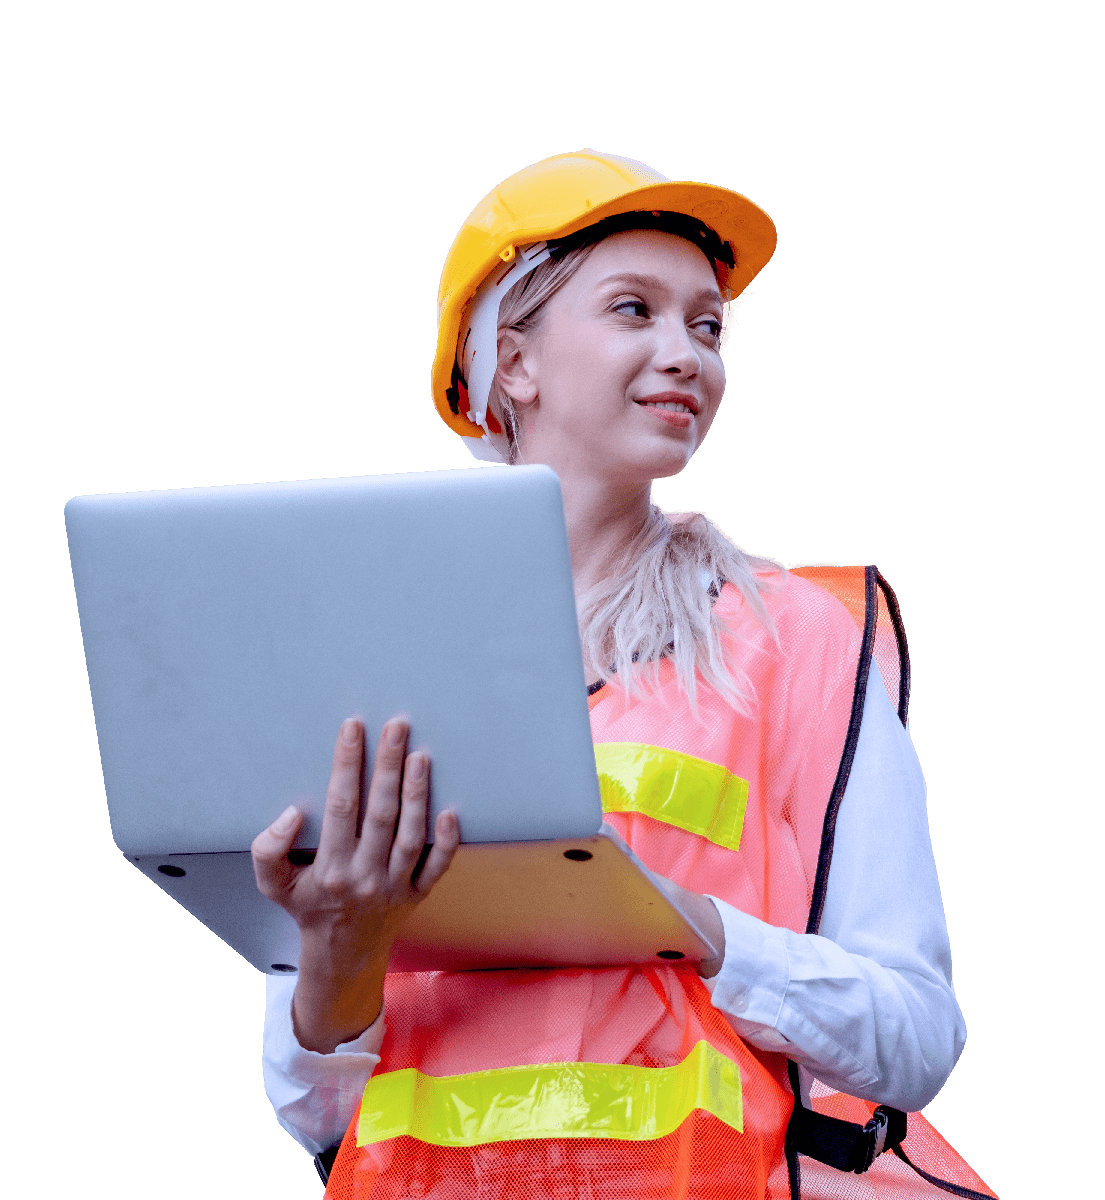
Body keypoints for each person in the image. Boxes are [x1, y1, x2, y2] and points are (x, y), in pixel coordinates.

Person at [251, 150, 996, 1198]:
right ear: (514, 361)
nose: (687, 354)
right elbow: (320, 1115)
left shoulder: (794, 634)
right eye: (634, 309)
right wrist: (336, 953)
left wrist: (697, 929)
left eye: (707, 326)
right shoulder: (376, 651)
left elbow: (914, 1038)